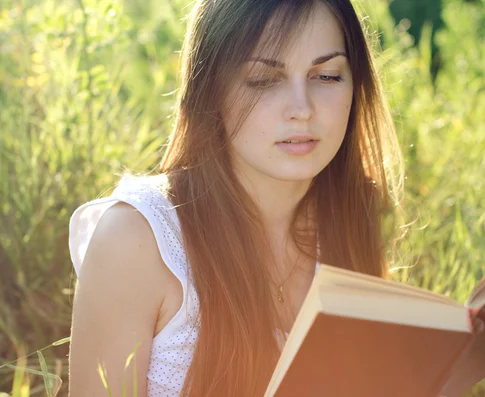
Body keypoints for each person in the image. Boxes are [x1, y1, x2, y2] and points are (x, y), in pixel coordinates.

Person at [67, 0, 405, 396]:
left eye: (327, 76)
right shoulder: (138, 239)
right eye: (264, 79)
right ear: (210, 90)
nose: (302, 108)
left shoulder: (349, 218)